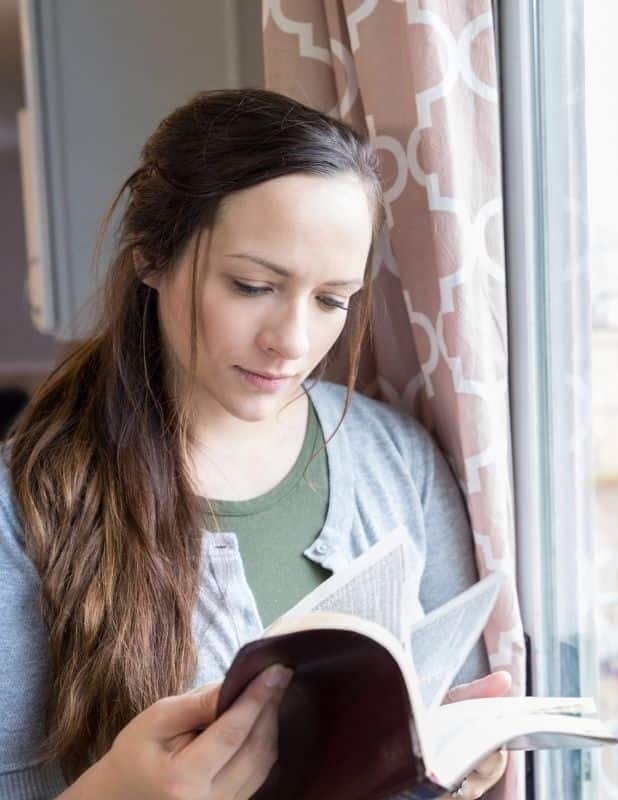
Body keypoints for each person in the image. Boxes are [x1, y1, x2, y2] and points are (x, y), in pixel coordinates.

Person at [0, 88, 508, 800]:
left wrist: (460, 766)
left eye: (332, 300)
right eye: (252, 285)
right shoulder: (21, 508)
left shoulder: (399, 463)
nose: (293, 342)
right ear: (151, 254)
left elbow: (440, 724)